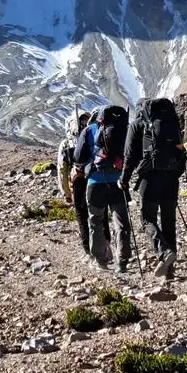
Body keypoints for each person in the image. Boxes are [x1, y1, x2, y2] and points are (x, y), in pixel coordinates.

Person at [121, 96, 187, 279]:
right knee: (169, 222)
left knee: (147, 220)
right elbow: (180, 150)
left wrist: (124, 180)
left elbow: (129, 157)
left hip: (149, 179)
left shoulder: (137, 125)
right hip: (171, 178)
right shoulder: (170, 122)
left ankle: (164, 252)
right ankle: (170, 271)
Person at [74, 105, 133, 273]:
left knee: (95, 221)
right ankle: (123, 261)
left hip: (95, 182)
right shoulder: (124, 128)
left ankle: (100, 260)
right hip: (118, 182)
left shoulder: (89, 130)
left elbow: (78, 156)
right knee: (121, 222)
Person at [57, 110, 92, 257]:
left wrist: (66, 192)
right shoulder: (93, 137)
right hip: (94, 179)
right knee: (98, 214)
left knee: (81, 215)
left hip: (77, 182)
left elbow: (62, 170)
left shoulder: (66, 144)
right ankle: (104, 246)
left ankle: (88, 250)